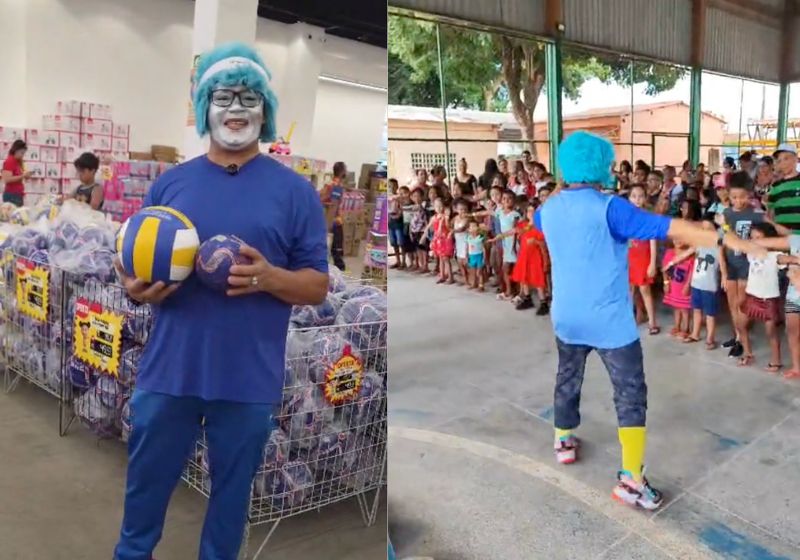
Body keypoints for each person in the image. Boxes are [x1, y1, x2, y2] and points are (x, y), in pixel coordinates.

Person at [112, 42, 328, 560]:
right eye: (224, 96)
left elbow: (317, 285)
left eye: (250, 97)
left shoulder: (295, 193)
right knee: (144, 490)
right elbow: (132, 263)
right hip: (171, 371)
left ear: (266, 110)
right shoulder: (170, 184)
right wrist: (132, 288)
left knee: (230, 503)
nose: (236, 108)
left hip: (248, 377)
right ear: (205, 107)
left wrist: (270, 277)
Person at [536, 131, 764, 511]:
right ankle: (631, 480)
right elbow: (669, 228)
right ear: (598, 165)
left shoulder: (548, 209)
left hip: (567, 316)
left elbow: (546, 221)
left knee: (567, 376)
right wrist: (734, 242)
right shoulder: (611, 207)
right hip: (609, 322)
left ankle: (563, 440)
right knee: (630, 395)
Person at [719, 171, 765, 359]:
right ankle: (737, 336)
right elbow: (721, 244)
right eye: (734, 197)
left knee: (741, 304)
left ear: (749, 195)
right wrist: (722, 272)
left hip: (747, 266)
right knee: (731, 303)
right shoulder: (726, 214)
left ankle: (742, 339)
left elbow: (768, 233)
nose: (738, 201)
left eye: (742, 197)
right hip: (730, 264)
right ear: (729, 195)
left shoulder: (755, 215)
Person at [735, 222, 788, 370]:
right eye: (752, 238)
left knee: (771, 332)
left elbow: (788, 259)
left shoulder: (776, 255)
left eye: (759, 238)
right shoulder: (751, 253)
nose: (755, 241)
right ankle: (747, 353)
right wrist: (725, 226)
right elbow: (736, 242)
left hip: (768, 299)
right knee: (740, 325)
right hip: (751, 296)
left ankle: (776, 361)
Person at [669, 218, 723, 349]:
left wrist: (725, 277)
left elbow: (723, 263)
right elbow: (686, 253)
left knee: (710, 314)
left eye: (708, 228)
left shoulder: (718, 246)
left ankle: (710, 337)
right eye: (703, 229)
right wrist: (672, 262)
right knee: (696, 310)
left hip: (710, 285)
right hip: (696, 284)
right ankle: (695, 333)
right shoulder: (699, 244)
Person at [627, 185, 660, 335]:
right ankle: (634, 316)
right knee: (630, 290)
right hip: (629, 256)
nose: (637, 199)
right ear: (629, 198)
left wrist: (652, 263)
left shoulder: (648, 217)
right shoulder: (626, 217)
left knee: (645, 289)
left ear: (645, 198)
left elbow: (653, 241)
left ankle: (652, 321)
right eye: (634, 196)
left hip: (643, 256)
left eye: (640, 196)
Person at [507, 204, 549, 314]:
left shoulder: (540, 227)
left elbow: (544, 245)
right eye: (529, 211)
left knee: (538, 279)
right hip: (523, 256)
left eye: (534, 211)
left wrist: (536, 242)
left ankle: (543, 302)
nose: (531, 213)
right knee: (523, 277)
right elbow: (514, 232)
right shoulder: (523, 225)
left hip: (536, 257)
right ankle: (527, 298)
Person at [767, 143, 800, 232]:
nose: (783, 163)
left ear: (795, 159)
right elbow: (770, 213)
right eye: (779, 160)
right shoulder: (775, 186)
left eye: (786, 158)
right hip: (782, 239)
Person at [323, 161, 348, 271]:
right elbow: (334, 204)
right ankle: (339, 266)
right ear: (342, 171)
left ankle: (337, 265)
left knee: (333, 243)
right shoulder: (336, 186)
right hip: (334, 219)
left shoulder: (330, 183)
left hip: (330, 218)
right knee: (337, 243)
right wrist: (330, 221)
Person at [425, 197, 454, 284]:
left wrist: (445, 220)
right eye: (437, 206)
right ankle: (442, 275)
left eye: (441, 206)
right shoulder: (434, 217)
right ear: (434, 207)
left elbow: (448, 228)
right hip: (438, 239)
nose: (439, 208)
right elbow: (431, 227)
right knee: (440, 258)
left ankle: (450, 277)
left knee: (446, 258)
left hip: (445, 239)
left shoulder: (445, 217)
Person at [2, 140, 32, 207]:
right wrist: (23, 176)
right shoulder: (10, 161)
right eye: (22, 153)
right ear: (16, 150)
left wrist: (25, 176)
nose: (22, 155)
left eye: (23, 153)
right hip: (12, 196)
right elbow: (7, 179)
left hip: (17, 195)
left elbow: (17, 176)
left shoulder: (17, 162)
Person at [388, 179, 406, 269]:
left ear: (397, 187)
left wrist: (399, 214)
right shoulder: (388, 197)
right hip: (390, 222)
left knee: (400, 242)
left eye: (394, 186)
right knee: (393, 242)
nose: (391, 188)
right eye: (389, 186)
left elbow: (402, 208)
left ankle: (403, 261)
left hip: (398, 221)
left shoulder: (399, 198)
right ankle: (397, 260)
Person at [465, 220, 486, 291]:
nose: (473, 228)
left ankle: (481, 285)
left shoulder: (480, 237)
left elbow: (483, 249)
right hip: (471, 256)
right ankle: (474, 283)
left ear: (478, 228)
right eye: (471, 227)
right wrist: (466, 256)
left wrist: (484, 258)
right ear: (469, 229)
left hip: (479, 256)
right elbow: (467, 247)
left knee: (479, 272)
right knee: (473, 271)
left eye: (474, 226)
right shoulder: (468, 237)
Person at [453, 198, 470, 284]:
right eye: (460, 209)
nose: (462, 211)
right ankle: (465, 278)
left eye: (464, 209)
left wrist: (452, 232)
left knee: (466, 261)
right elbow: (450, 225)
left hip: (465, 241)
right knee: (459, 261)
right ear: (456, 209)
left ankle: (471, 279)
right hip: (458, 241)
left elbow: (462, 229)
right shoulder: (455, 218)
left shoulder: (467, 218)